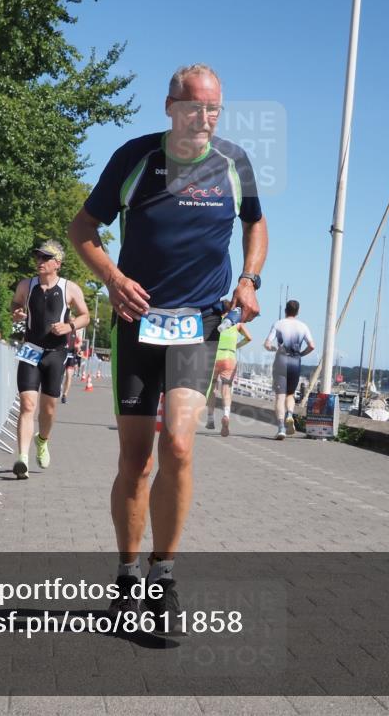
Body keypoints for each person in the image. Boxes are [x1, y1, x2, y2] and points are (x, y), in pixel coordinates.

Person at [68, 63, 268, 628]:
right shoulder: (135, 158)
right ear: (169, 106)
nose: (203, 118)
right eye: (194, 106)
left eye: (213, 109)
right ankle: (127, 576)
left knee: (178, 446)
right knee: (136, 459)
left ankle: (164, 577)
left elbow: (256, 224)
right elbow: (82, 228)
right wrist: (110, 277)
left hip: (199, 324)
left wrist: (249, 278)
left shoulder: (233, 163)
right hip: (137, 325)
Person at [10, 239, 89, 478]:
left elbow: (85, 315)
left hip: (56, 353)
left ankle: (42, 440)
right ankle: (22, 458)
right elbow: (14, 304)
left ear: (57, 263)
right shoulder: (27, 284)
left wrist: (70, 326)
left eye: (45, 258)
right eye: (38, 257)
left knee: (49, 409)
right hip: (31, 348)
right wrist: (16, 311)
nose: (39, 262)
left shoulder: (70, 288)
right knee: (27, 405)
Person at [264, 300, 315, 440]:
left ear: (286, 310)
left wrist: (272, 348)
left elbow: (267, 343)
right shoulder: (303, 326)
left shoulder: (278, 324)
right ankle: (290, 415)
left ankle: (281, 428)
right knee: (290, 394)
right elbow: (312, 345)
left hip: (281, 360)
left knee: (280, 396)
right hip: (295, 361)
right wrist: (301, 354)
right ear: (297, 312)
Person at [205, 320, 251, 436]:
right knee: (226, 390)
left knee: (212, 388)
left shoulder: (218, 320)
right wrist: (236, 346)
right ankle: (226, 415)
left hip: (215, 356)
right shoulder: (238, 323)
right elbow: (249, 338)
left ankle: (210, 418)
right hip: (229, 357)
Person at [61, 327, 84, 403]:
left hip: (71, 356)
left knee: (69, 376)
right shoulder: (63, 330)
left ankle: (64, 395)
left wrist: (78, 345)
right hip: (62, 355)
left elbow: (80, 342)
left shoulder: (75, 332)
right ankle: (58, 387)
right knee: (58, 374)